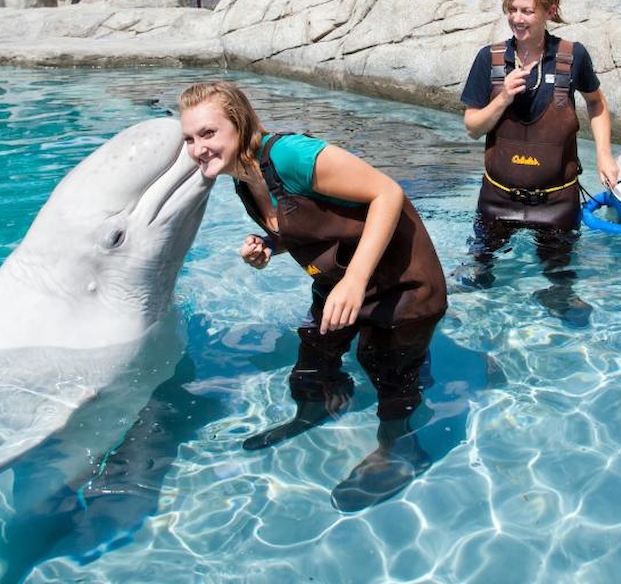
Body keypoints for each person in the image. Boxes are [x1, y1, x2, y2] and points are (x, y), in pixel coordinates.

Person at [178, 80, 448, 511]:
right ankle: (318, 407)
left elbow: (387, 193)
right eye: (190, 138)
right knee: (312, 365)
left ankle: (402, 451)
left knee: (386, 368)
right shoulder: (245, 179)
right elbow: (309, 223)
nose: (197, 148)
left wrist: (356, 280)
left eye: (208, 133)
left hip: (403, 282)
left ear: (240, 122)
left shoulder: (290, 156)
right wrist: (269, 245)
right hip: (339, 282)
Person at [460, 0, 618, 325]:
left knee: (561, 281)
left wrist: (605, 155)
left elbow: (596, 103)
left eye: (527, 11)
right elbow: (472, 127)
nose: (517, 18)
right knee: (478, 277)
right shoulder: (490, 59)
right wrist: (501, 99)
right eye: (512, 9)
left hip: (557, 202)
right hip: (498, 199)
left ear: (550, 11)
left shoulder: (572, 57)